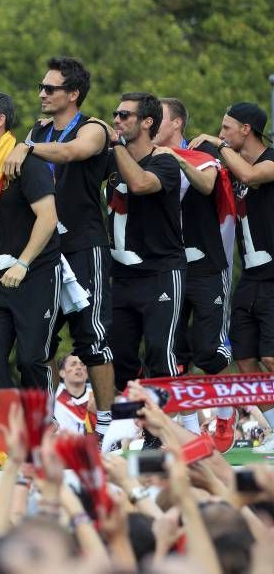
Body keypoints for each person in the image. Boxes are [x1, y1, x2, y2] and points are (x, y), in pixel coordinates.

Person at [2, 57, 114, 437]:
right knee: (40, 342)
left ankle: (106, 428)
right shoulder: (39, 130)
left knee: (92, 339)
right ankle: (46, 423)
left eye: (50, 88)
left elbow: (72, 153)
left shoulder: (94, 128)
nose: (41, 94)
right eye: (41, 86)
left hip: (85, 246)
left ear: (73, 94)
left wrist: (25, 149)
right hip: (48, 250)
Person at [189, 102, 274, 451]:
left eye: (227, 128)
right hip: (248, 277)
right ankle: (269, 426)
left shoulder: (269, 160)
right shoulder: (230, 164)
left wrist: (217, 144)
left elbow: (252, 177)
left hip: (273, 277)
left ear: (246, 130)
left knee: (270, 358)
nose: (221, 133)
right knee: (244, 357)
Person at [153, 98, 234, 449]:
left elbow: (206, 185)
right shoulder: (147, 160)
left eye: (158, 118)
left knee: (210, 351)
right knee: (169, 350)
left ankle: (227, 413)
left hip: (205, 265)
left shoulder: (202, 156)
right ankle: (187, 428)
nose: (149, 122)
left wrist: (176, 159)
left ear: (177, 125)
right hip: (164, 267)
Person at [0, 91, 60, 390]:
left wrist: (23, 263)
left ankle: (43, 428)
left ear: (1, 120)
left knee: (31, 360)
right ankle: (5, 431)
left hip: (34, 273)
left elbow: (48, 218)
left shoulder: (27, 164)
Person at [105, 92, 184, 392]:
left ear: (148, 122)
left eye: (124, 115)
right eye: (115, 114)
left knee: (160, 355)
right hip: (122, 276)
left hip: (161, 272)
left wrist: (115, 145)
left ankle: (164, 434)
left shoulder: (165, 162)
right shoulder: (110, 159)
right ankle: (138, 418)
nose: (116, 120)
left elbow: (139, 183)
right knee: (119, 358)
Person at [53, 354, 95, 434]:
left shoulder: (98, 397)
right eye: (73, 364)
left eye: (82, 364)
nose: (79, 367)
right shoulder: (52, 397)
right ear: (62, 373)